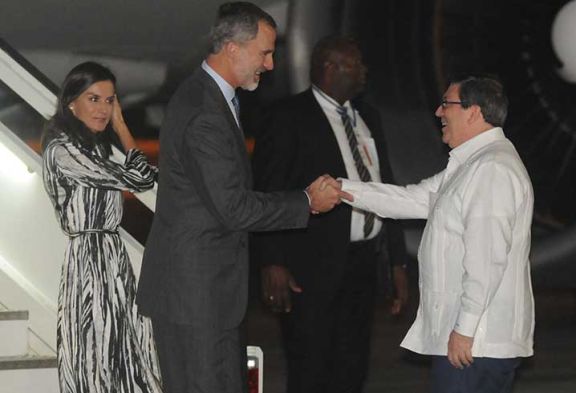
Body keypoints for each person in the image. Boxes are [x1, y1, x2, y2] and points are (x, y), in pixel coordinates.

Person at [135, 3, 347, 393]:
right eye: (264, 52)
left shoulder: (212, 98)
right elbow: (232, 206)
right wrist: (306, 202)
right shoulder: (204, 111)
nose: (269, 65)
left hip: (208, 294)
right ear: (233, 48)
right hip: (195, 298)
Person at [340, 76, 535, 393]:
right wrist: (342, 190)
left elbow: (487, 259)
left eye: (447, 104)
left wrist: (465, 329)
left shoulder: (491, 169)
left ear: (473, 111)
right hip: (472, 343)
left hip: (476, 345)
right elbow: (412, 199)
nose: (438, 111)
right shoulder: (471, 165)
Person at [252, 35, 408, 393]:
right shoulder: (288, 117)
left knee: (352, 367)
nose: (364, 72)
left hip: (363, 264)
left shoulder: (368, 116)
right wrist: (271, 261)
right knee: (311, 366)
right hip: (310, 266)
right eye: (356, 65)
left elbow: (386, 187)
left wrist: (397, 261)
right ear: (329, 68)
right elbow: (268, 192)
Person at [41, 61, 162, 393]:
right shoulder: (62, 150)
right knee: (95, 355)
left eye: (110, 101)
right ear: (71, 103)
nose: (104, 108)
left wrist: (120, 128)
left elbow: (142, 177)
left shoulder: (92, 148)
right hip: (89, 262)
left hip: (111, 255)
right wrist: (123, 127)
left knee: (126, 350)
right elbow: (140, 177)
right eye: (94, 99)